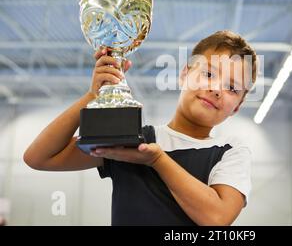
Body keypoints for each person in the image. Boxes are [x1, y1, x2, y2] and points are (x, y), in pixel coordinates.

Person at [24, 30, 257, 226]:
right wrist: (92, 95)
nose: (217, 89)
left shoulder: (230, 152)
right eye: (208, 74)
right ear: (184, 74)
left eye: (232, 89)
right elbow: (39, 157)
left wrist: (157, 161)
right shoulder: (132, 138)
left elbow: (216, 217)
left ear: (236, 107)